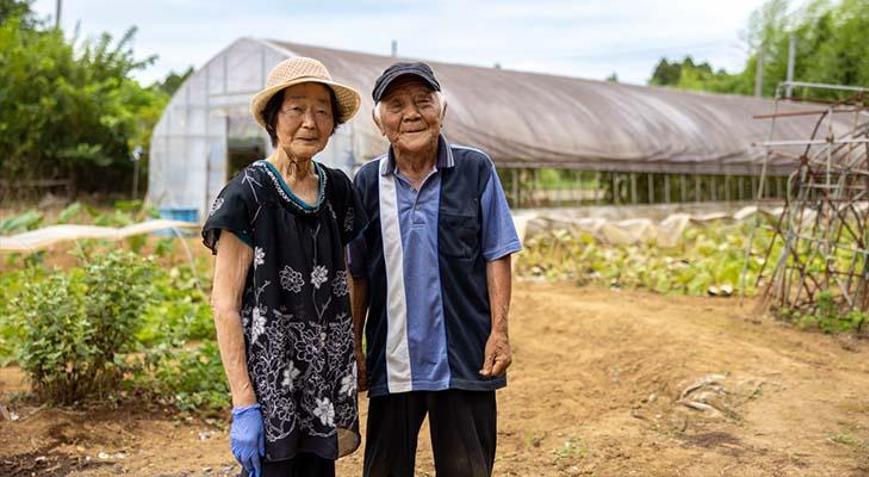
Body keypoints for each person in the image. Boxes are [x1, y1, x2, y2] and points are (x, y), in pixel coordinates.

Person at [348, 62, 522, 477]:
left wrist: (499, 332)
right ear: (380, 122)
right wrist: (355, 346)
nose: (411, 114)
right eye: (396, 105)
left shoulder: (475, 169)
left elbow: (497, 253)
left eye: (423, 102)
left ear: (441, 111)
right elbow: (358, 273)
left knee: (468, 469)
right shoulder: (367, 183)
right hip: (393, 360)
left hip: (464, 357)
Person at [203, 56, 366, 477]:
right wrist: (244, 403)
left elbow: (345, 277)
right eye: (296, 108)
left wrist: (353, 351)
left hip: (324, 382)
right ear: (274, 119)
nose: (310, 122)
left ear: (333, 124)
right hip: (271, 384)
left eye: (322, 111)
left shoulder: (339, 191)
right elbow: (224, 304)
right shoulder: (247, 195)